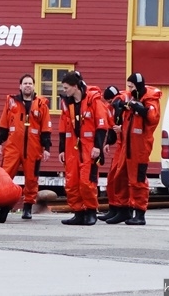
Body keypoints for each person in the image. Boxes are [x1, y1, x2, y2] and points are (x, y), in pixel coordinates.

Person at [0, 73, 51, 220]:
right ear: (20, 86)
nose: (27, 86)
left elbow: (46, 127)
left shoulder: (41, 105)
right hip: (13, 146)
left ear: (34, 86)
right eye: (25, 83)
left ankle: (27, 207)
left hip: (33, 147)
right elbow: (3, 123)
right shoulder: (11, 102)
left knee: (32, 179)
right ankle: (1, 206)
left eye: (30, 83)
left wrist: (46, 148)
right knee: (5, 176)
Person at [58, 71, 109, 226]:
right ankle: (78, 213)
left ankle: (91, 211)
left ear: (75, 87)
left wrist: (98, 147)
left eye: (66, 88)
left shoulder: (93, 101)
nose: (64, 91)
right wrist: (61, 150)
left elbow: (102, 126)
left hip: (89, 148)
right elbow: (62, 127)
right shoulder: (67, 104)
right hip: (72, 148)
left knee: (87, 182)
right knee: (71, 182)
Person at [118, 72, 162, 226]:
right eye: (128, 86)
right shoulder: (133, 99)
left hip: (141, 147)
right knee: (130, 180)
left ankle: (140, 213)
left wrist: (141, 109)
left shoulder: (150, 101)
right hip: (130, 147)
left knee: (138, 181)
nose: (129, 89)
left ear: (138, 86)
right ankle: (132, 210)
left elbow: (152, 118)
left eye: (131, 86)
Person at [99, 85, 130, 223]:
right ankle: (114, 208)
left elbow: (131, 126)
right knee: (112, 177)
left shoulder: (125, 106)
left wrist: (121, 129)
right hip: (119, 145)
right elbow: (112, 128)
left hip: (126, 146)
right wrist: (107, 142)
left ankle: (123, 209)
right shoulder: (114, 108)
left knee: (120, 178)